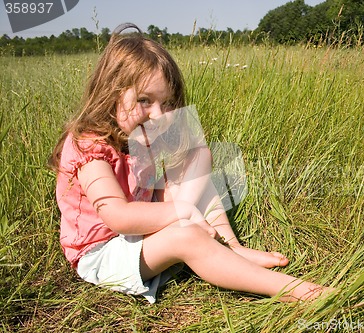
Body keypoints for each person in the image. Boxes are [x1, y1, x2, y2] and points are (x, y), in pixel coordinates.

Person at [49, 23, 330, 304]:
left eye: (168, 104)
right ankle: (292, 290)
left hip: (139, 230)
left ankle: (231, 247)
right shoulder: (89, 146)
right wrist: (182, 211)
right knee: (186, 235)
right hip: (103, 253)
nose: (159, 115)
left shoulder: (140, 133)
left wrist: (185, 189)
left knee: (192, 168)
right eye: (144, 100)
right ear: (110, 93)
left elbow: (198, 156)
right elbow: (118, 217)